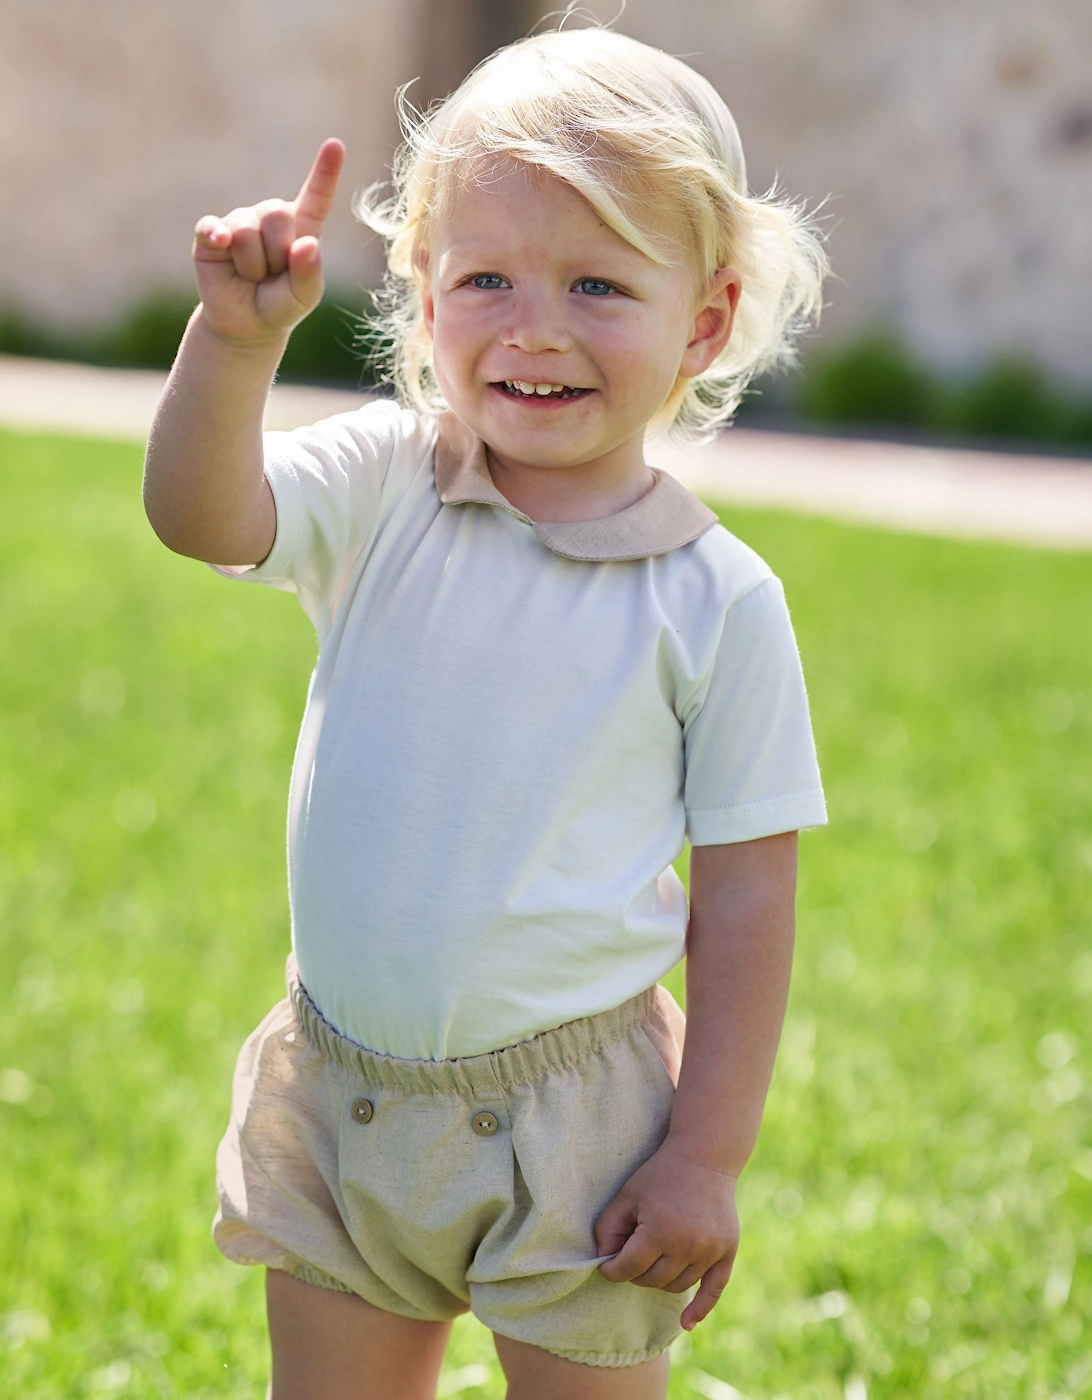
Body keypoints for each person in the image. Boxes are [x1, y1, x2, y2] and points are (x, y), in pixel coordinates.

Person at [143, 24, 828, 1400]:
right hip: (348, 1094)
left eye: (596, 284)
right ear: (422, 291)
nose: (535, 328)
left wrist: (705, 1156)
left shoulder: (717, 603)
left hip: (584, 1128)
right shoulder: (387, 484)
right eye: (487, 279)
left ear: (704, 319)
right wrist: (231, 347)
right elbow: (199, 513)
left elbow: (748, 899)